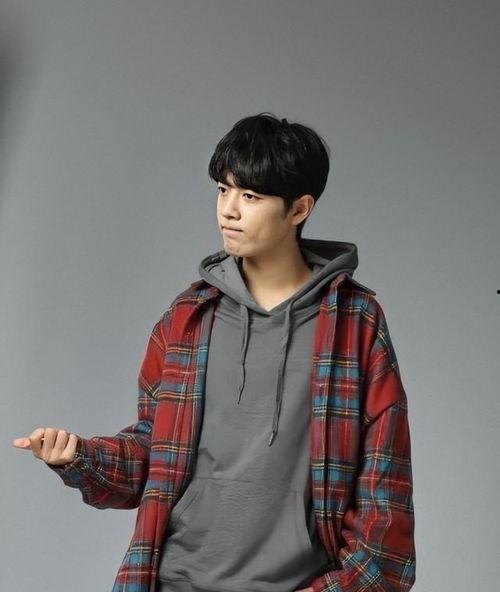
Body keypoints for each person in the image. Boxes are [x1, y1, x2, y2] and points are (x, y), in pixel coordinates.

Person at [13, 112, 416, 592]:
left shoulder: (354, 324)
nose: (228, 210)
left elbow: (385, 500)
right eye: (223, 190)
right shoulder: (188, 318)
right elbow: (152, 455)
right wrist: (79, 457)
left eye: (250, 196)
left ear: (299, 209)